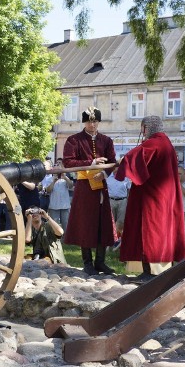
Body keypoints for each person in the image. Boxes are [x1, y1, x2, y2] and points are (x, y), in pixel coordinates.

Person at [116, 115, 185, 280]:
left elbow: (135, 156)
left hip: (153, 198)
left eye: (143, 128)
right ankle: (156, 271)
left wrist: (123, 161)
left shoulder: (156, 142)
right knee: (161, 232)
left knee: (150, 232)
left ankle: (150, 273)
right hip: (164, 197)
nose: (142, 132)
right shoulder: (166, 142)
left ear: (147, 127)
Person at [63, 106, 117, 276]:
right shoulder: (74, 140)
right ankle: (87, 262)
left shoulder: (106, 141)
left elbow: (113, 162)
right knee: (85, 224)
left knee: (103, 223)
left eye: (94, 121)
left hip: (101, 186)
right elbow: (68, 162)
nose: (92, 124)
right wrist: (92, 161)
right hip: (84, 187)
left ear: (99, 121)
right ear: (84, 122)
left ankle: (100, 262)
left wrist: (104, 173)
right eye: (88, 121)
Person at [106, 169, 131, 250]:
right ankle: (110, 242)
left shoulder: (126, 177)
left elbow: (130, 189)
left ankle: (118, 241)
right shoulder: (108, 177)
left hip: (123, 201)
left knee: (120, 222)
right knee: (110, 222)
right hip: (111, 200)